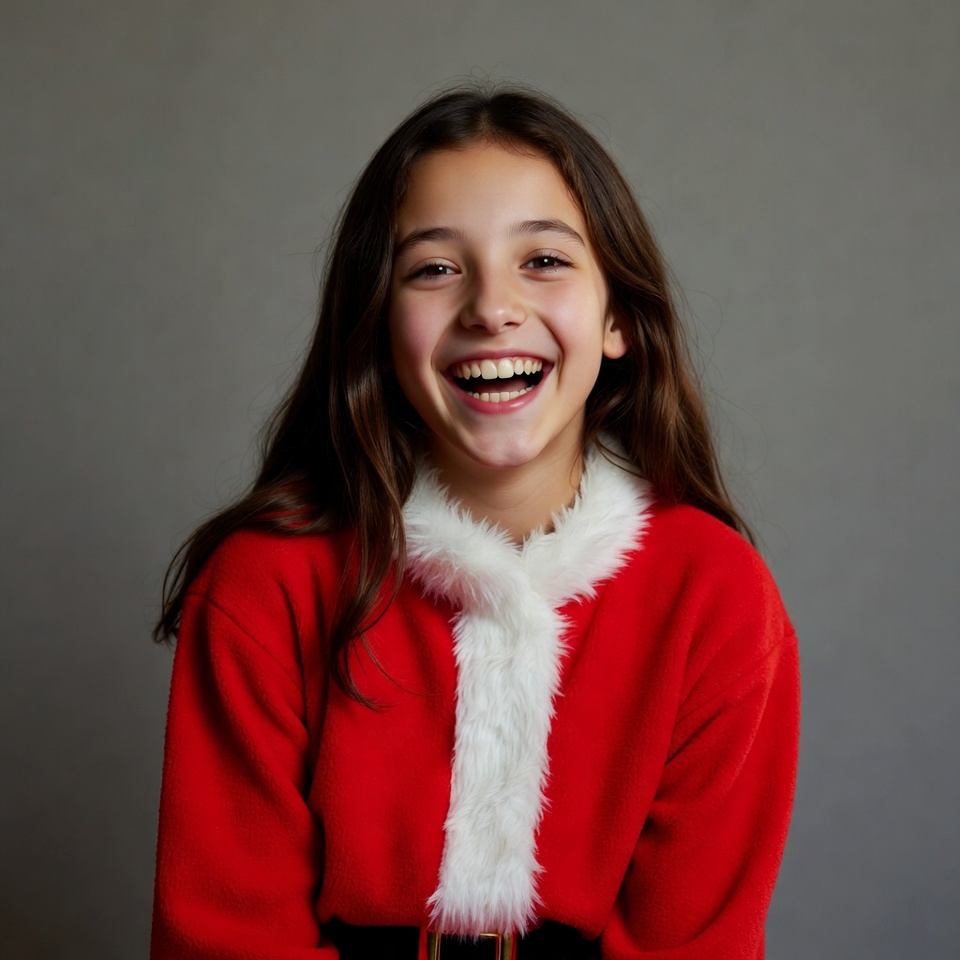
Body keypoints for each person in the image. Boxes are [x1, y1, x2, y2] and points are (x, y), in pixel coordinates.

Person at [150, 85, 800, 960]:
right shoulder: (266, 581)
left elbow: (697, 942)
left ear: (618, 320)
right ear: (379, 327)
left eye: (544, 261)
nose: (492, 306)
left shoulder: (715, 596)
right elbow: (226, 938)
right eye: (435, 268)